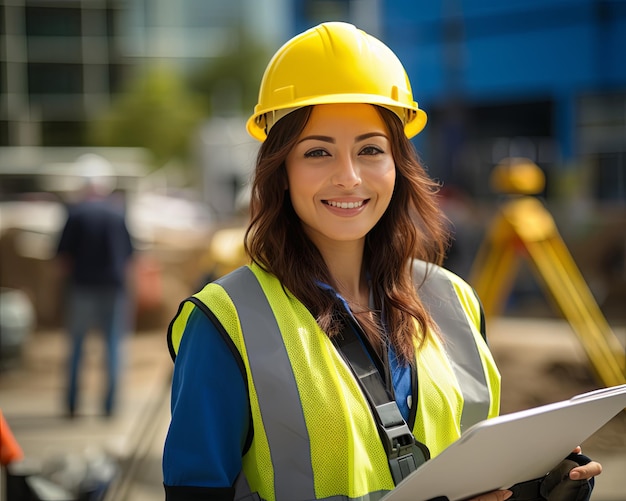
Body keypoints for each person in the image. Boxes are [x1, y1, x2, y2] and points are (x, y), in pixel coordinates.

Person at [162, 22, 601, 501]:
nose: (348, 177)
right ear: (281, 171)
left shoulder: (452, 299)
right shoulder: (225, 322)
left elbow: (478, 470)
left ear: (398, 163)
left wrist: (540, 484)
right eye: (317, 152)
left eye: (370, 149)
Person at [56, 154, 134, 418]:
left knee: (77, 346)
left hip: (81, 288)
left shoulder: (75, 213)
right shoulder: (117, 212)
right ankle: (110, 407)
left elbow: (63, 258)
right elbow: (130, 256)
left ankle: (71, 405)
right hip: (114, 288)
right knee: (113, 346)